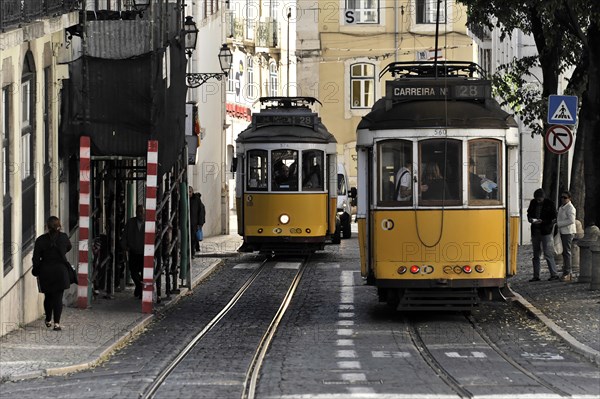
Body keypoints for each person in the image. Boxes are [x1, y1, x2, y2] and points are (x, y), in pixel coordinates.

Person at [32, 216, 72, 331]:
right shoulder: (63, 237)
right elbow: (69, 247)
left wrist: (36, 270)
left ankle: (48, 319)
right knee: (58, 298)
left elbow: (35, 258)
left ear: (47, 226)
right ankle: (57, 324)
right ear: (59, 225)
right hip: (60, 271)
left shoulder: (40, 240)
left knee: (48, 297)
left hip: (46, 271)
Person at [526, 188, 559, 281]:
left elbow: (553, 217)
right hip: (535, 231)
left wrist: (543, 221)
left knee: (548, 253)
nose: (538, 200)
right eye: (537, 199)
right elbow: (529, 213)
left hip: (545, 231)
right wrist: (531, 219)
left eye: (539, 199)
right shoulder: (533, 203)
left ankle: (554, 274)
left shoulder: (549, 203)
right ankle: (536, 275)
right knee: (536, 254)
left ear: (543, 197)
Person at [121, 205, 145, 299]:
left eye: (142, 212)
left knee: (144, 273)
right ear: (136, 212)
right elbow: (124, 236)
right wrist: (124, 246)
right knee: (133, 272)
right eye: (139, 212)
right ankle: (139, 287)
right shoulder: (130, 223)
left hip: (144, 253)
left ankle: (140, 290)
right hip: (133, 251)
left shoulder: (148, 223)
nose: (141, 214)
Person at [556, 190, 577, 281]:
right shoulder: (562, 207)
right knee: (564, 252)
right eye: (562, 197)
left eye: (565, 197)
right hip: (562, 231)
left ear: (569, 198)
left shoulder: (570, 208)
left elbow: (571, 220)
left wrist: (559, 224)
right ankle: (566, 270)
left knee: (567, 252)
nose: (563, 199)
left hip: (568, 232)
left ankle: (568, 272)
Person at [189, 186, 206, 256]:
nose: (188, 194)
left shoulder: (196, 200)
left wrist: (200, 223)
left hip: (194, 223)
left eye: (190, 192)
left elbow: (201, 211)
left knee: (193, 238)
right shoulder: (183, 199)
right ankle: (193, 250)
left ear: (192, 192)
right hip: (188, 223)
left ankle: (192, 252)